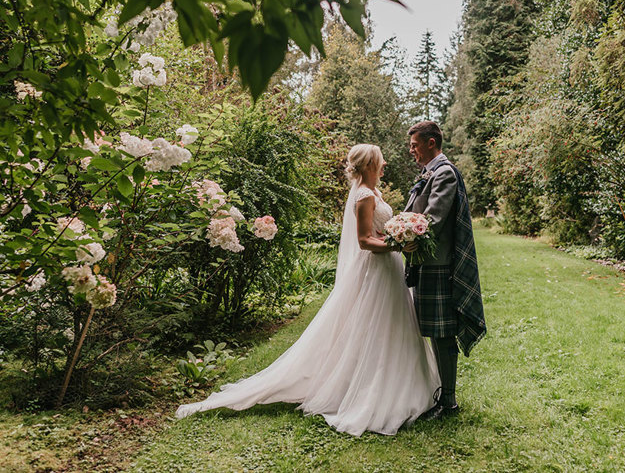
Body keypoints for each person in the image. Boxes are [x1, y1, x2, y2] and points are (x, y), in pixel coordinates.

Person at [176, 144, 438, 436]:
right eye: (380, 160)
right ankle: (371, 389)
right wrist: (397, 243)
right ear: (369, 165)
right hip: (376, 269)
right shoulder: (363, 196)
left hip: (389, 268)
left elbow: (378, 232)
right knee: (376, 327)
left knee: (394, 325)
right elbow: (364, 240)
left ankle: (401, 383)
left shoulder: (375, 193)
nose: (385, 163)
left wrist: (397, 235)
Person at [404, 120, 486, 420]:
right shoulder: (428, 173)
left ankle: (448, 401)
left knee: (442, 333)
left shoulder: (445, 173)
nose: (411, 150)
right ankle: (442, 395)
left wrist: (406, 237)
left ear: (431, 142)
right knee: (434, 333)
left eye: (415, 145)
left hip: (439, 265)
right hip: (426, 263)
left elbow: (433, 220)